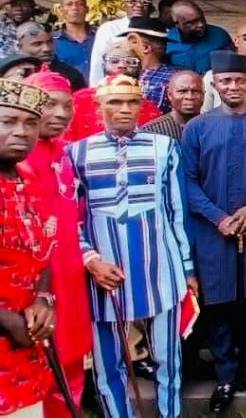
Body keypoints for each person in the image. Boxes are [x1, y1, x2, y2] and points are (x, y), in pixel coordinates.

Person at [68, 75, 196, 418]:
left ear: (142, 105)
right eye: (114, 102)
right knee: (109, 365)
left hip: (161, 271)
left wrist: (187, 268)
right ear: (98, 107)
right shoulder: (76, 153)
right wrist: (90, 259)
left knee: (168, 359)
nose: (124, 109)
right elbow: (70, 219)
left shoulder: (163, 147)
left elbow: (176, 210)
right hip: (103, 276)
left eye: (132, 102)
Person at [180, 51, 246, 413]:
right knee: (219, 306)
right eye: (226, 81)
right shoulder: (197, 127)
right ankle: (225, 378)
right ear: (215, 84)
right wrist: (219, 217)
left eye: (239, 80)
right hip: (213, 232)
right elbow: (187, 182)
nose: (233, 86)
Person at [21, 70, 89, 418]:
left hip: (70, 275)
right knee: (38, 363)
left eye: (68, 106)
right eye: (50, 105)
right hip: (34, 283)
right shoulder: (16, 160)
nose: (61, 114)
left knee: (70, 358)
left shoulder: (65, 153)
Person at [0, 77, 57, 418]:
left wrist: (43, 299)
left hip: (23, 351)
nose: (22, 131)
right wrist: (6, 320)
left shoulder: (29, 178)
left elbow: (43, 253)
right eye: (8, 121)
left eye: (31, 123)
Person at [65, 42, 161, 142]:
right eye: (114, 61)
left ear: (140, 69)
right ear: (103, 66)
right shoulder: (79, 99)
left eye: (130, 62)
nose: (122, 65)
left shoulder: (150, 109)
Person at [89, 0, 154, 85]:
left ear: (150, 7)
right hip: (115, 84)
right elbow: (98, 62)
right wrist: (95, 88)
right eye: (132, 1)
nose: (139, 5)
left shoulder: (159, 30)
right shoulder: (109, 28)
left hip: (150, 82)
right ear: (124, 5)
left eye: (145, 2)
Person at [124, 17, 176, 113]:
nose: (124, 46)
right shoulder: (123, 73)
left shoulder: (171, 78)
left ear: (146, 48)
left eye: (132, 41)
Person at [166, 0, 232, 74]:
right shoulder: (167, 39)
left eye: (202, 19)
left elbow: (233, 67)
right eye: (192, 22)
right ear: (177, 24)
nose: (201, 24)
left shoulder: (220, 36)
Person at [14, 22, 86, 89]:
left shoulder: (71, 74)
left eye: (50, 42)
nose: (47, 48)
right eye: (37, 44)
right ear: (19, 47)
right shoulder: (10, 74)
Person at [141, 70, 205, 141]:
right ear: (170, 95)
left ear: (204, 94)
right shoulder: (151, 131)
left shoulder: (214, 127)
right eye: (182, 91)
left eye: (196, 92)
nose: (189, 97)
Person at [52, 0, 95, 80]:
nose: (75, 8)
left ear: (87, 9)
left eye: (80, 4)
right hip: (67, 90)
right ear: (60, 9)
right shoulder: (52, 40)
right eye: (69, 4)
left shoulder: (100, 36)